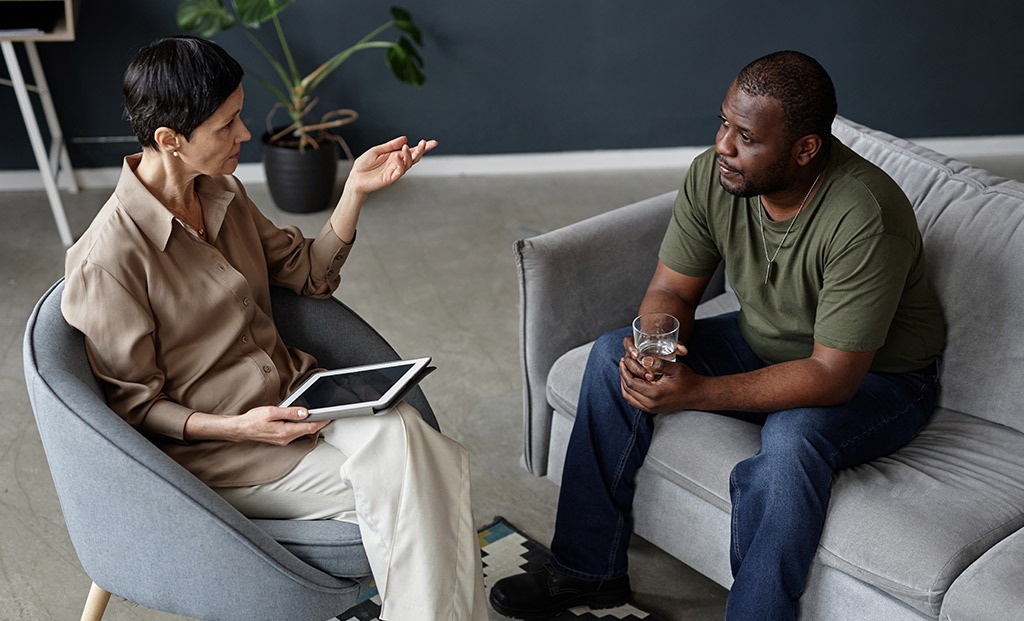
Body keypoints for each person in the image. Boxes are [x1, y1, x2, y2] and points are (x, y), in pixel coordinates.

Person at [489, 51, 945, 620]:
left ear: (805, 149)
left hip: (880, 378)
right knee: (614, 357)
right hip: (763, 341)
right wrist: (656, 351)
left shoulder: (864, 217)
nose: (724, 145)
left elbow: (831, 376)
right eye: (724, 122)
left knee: (792, 441)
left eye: (746, 136)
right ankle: (587, 573)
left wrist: (696, 392)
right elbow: (671, 292)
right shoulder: (715, 173)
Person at [61, 35, 486, 621]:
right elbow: (134, 409)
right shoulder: (109, 261)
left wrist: (354, 192)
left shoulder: (225, 194)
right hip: (223, 453)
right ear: (170, 140)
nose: (243, 135)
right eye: (227, 124)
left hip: (294, 401)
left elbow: (307, 273)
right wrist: (240, 429)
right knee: (424, 478)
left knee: (414, 442)